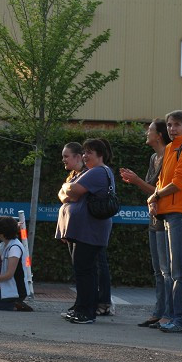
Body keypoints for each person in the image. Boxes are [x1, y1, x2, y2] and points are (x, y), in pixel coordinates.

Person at [147, 110, 182, 334]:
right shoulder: (171, 148)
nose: (171, 129)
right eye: (169, 125)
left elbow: (181, 182)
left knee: (179, 270)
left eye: (177, 125)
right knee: (175, 269)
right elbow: (162, 180)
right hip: (170, 213)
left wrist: (156, 196)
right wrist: (156, 199)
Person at [56, 137, 115, 324]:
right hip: (84, 230)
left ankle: (86, 311)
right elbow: (68, 192)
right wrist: (68, 189)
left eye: (89, 152)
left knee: (85, 270)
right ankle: (82, 307)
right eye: (84, 152)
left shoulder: (97, 172)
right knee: (83, 270)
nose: (85, 155)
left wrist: (68, 188)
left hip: (89, 230)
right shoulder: (93, 172)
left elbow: (73, 190)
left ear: (100, 155)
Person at [121, 118, 172, 328]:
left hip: (167, 218)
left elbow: (162, 189)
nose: (146, 133)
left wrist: (136, 181)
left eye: (149, 130)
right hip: (154, 217)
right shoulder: (154, 157)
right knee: (158, 270)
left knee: (167, 270)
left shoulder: (170, 154)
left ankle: (169, 313)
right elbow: (152, 189)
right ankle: (159, 312)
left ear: (159, 135)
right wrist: (140, 184)